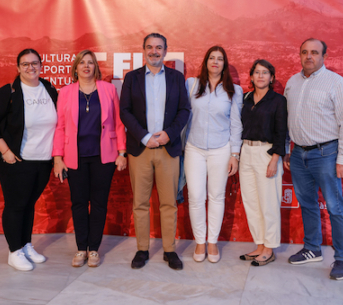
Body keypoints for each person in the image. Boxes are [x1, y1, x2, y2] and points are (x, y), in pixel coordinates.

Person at [120, 33, 190, 270]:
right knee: (140, 203)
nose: (154, 51)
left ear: (166, 51)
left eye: (158, 47)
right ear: (143, 50)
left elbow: (184, 110)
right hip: (141, 149)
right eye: (149, 47)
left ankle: (169, 250)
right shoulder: (131, 78)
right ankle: (142, 249)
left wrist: (169, 134)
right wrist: (145, 136)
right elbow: (125, 111)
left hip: (168, 149)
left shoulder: (177, 78)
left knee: (169, 203)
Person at [53, 50, 126, 268]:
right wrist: (57, 157)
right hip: (75, 158)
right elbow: (60, 127)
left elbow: (119, 123)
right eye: (82, 63)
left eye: (90, 63)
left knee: (99, 203)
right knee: (78, 203)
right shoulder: (66, 92)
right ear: (75, 68)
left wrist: (122, 153)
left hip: (104, 157)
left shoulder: (108, 89)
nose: (86, 66)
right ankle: (80, 249)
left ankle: (93, 249)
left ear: (96, 67)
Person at [0, 48, 58, 271]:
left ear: (41, 65)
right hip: (16, 160)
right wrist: (5, 152)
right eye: (25, 64)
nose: (31, 67)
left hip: (43, 159)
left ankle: (26, 244)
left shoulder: (48, 89)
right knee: (16, 205)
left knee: (29, 204)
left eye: (34, 63)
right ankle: (14, 251)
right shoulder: (8, 92)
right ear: (18, 68)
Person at [284, 38, 343, 280]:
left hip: (327, 154)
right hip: (299, 154)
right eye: (304, 52)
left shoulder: (337, 83)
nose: (308, 56)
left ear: (324, 56)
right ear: (299, 55)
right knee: (308, 203)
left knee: (335, 207)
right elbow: (287, 119)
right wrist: (288, 149)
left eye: (314, 52)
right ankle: (312, 248)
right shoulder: (292, 82)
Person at [184, 46, 243, 263]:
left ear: (224, 64)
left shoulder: (234, 90)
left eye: (219, 59)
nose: (215, 62)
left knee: (217, 197)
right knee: (196, 197)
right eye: (211, 58)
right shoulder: (191, 85)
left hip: (221, 149)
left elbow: (236, 124)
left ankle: (212, 242)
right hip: (194, 148)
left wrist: (235, 154)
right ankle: (200, 241)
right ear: (206, 62)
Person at [239, 59, 287, 266]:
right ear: (251, 76)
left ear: (272, 78)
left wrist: (275, 159)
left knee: (268, 203)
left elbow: (281, 132)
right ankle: (259, 244)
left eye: (265, 72)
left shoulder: (278, 100)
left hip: (267, 153)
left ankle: (269, 248)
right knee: (252, 203)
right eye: (257, 72)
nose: (260, 76)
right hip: (246, 152)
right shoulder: (245, 98)